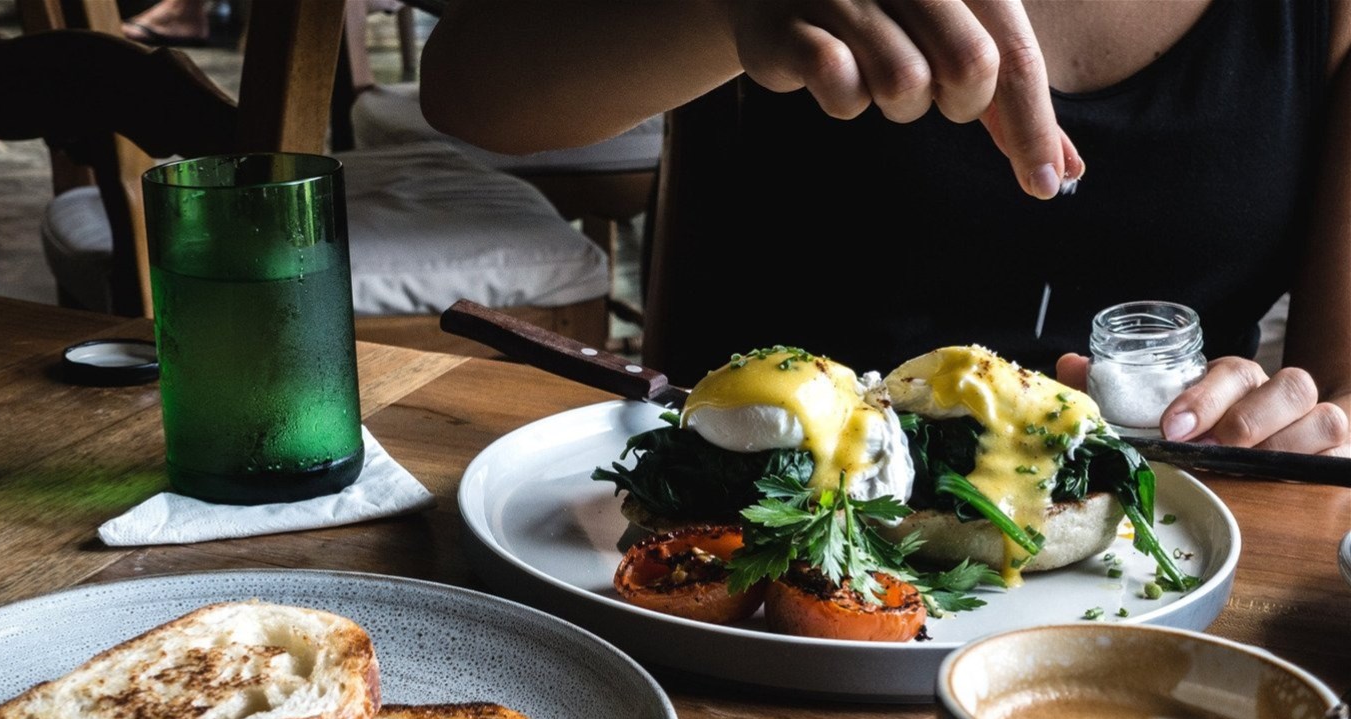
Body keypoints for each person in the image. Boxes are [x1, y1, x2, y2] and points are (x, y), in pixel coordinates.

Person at [419, 0, 1351, 457]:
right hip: (745, 549)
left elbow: (1342, 387)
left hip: (1155, 572)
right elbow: (468, 87)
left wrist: (1299, 428)